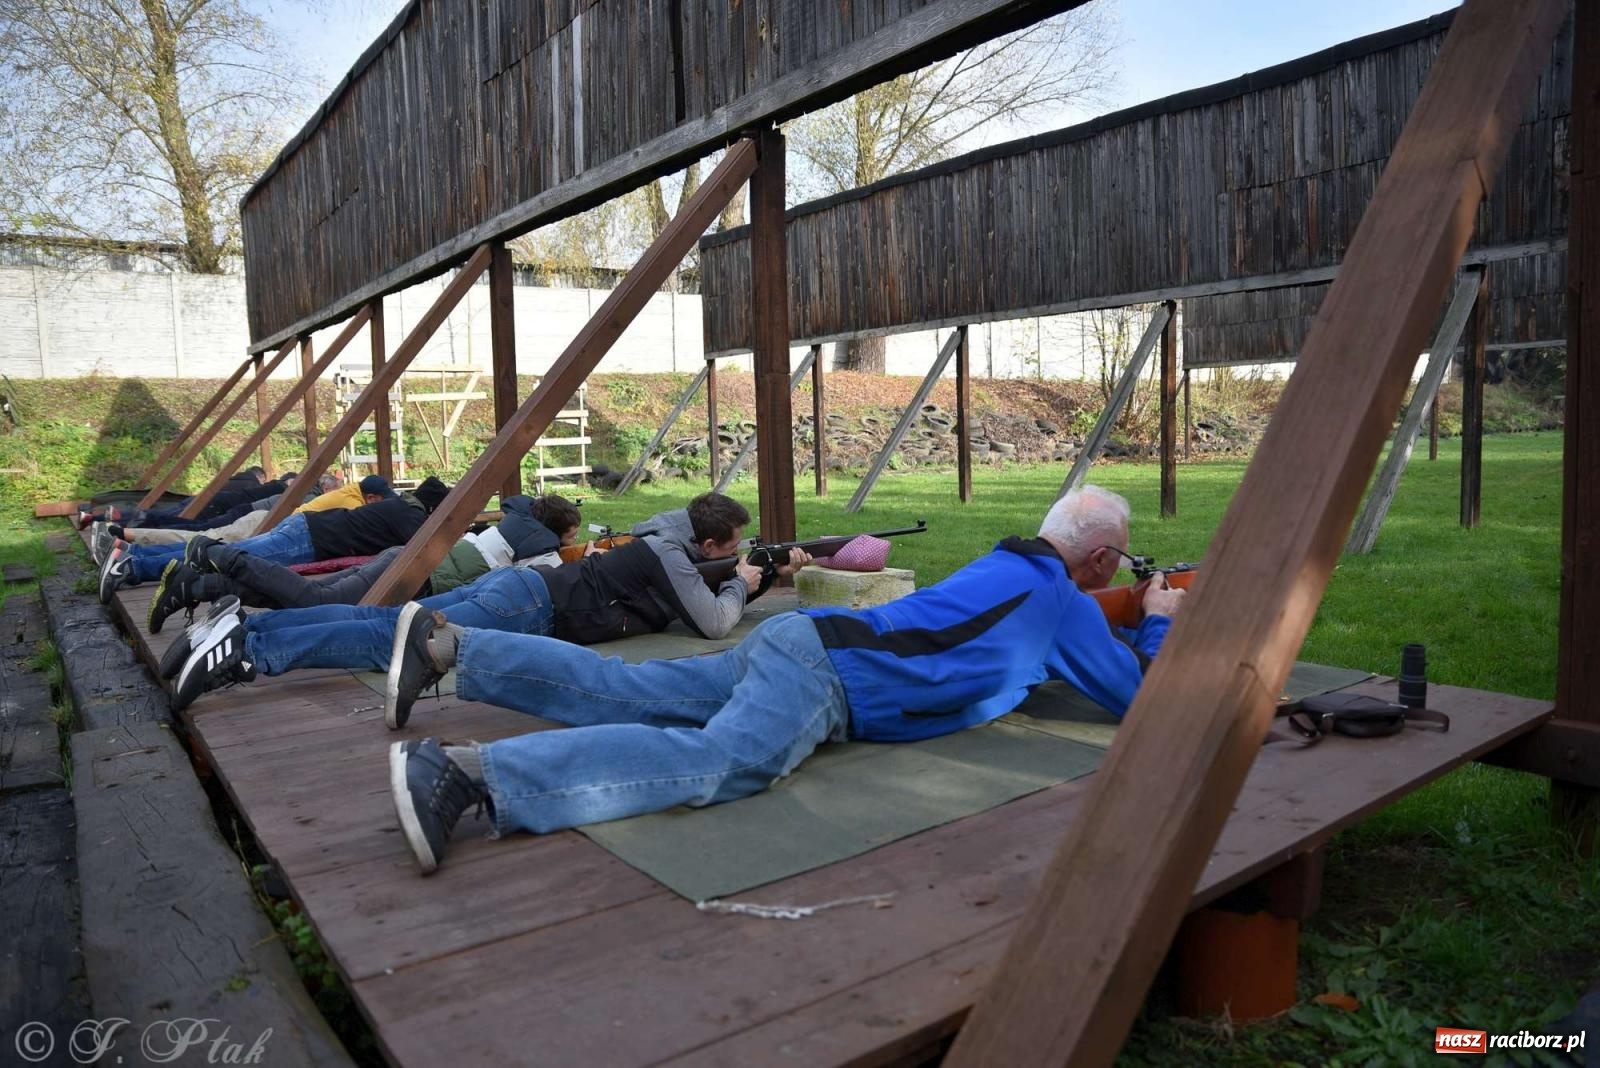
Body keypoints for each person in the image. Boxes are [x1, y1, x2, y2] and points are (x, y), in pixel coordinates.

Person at [380, 484, 1187, 873]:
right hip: (831, 675)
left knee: (636, 688)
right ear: (1101, 562)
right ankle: (471, 775)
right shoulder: (1064, 604)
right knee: (728, 761)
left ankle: (456, 650)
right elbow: (1144, 697)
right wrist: (1157, 618)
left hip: (802, 639)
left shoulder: (1005, 563)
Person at [169, 492, 808, 718]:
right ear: (706, 542)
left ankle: (252, 624)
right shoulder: (673, 557)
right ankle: (249, 650)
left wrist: (749, 566)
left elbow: (689, 572)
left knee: (377, 618)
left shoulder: (665, 535)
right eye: (733, 546)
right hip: (526, 609)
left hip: (517, 591)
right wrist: (744, 583)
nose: (741, 552)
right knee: (386, 640)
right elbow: (714, 622)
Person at [148, 493, 581, 635]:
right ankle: (219, 554)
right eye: (572, 533)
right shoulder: (538, 544)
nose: (574, 541)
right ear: (556, 530)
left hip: (404, 560)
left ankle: (198, 586)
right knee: (312, 600)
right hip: (417, 577)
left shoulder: (517, 519)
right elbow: (554, 573)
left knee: (305, 600)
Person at [99, 475, 451, 609]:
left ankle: (136, 556)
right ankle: (133, 565)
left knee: (219, 548)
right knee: (222, 554)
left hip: (304, 530)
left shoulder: (399, 506)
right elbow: (427, 551)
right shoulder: (412, 518)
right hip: (307, 540)